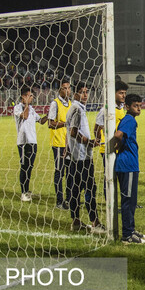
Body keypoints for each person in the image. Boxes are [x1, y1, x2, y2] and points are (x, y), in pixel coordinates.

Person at [65, 84, 104, 233]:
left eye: (86, 92)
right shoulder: (78, 110)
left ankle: (76, 221)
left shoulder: (73, 108)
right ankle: (95, 223)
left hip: (75, 157)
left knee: (75, 190)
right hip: (82, 158)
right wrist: (90, 142)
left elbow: (70, 132)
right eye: (82, 92)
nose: (85, 95)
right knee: (89, 189)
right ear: (75, 94)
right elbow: (74, 132)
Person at [110, 93, 145, 244]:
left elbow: (121, 138)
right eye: (135, 106)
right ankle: (127, 235)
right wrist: (114, 146)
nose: (138, 109)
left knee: (131, 201)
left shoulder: (129, 120)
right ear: (127, 107)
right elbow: (118, 135)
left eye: (139, 106)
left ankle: (130, 229)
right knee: (128, 201)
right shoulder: (129, 119)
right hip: (127, 165)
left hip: (129, 164)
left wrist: (119, 145)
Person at [94, 81, 128, 199]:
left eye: (124, 93)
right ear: (113, 94)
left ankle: (125, 201)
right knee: (110, 176)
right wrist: (99, 139)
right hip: (108, 148)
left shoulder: (121, 108)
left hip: (120, 147)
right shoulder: (106, 109)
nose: (123, 95)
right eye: (120, 93)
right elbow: (97, 127)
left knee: (123, 175)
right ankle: (110, 203)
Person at [13, 86, 48, 202]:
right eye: (30, 95)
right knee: (24, 167)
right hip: (23, 142)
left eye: (32, 96)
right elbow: (25, 116)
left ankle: (27, 191)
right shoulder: (17, 108)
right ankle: (23, 193)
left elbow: (41, 121)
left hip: (33, 141)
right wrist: (27, 105)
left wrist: (49, 115)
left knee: (30, 167)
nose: (32, 97)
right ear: (23, 96)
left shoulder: (32, 109)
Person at [48, 80, 72, 210]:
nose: (67, 91)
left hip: (69, 144)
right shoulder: (55, 104)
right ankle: (59, 201)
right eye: (64, 88)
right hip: (58, 144)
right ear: (59, 90)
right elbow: (50, 123)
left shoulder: (70, 104)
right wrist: (65, 123)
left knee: (70, 173)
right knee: (59, 172)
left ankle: (69, 199)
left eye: (68, 88)